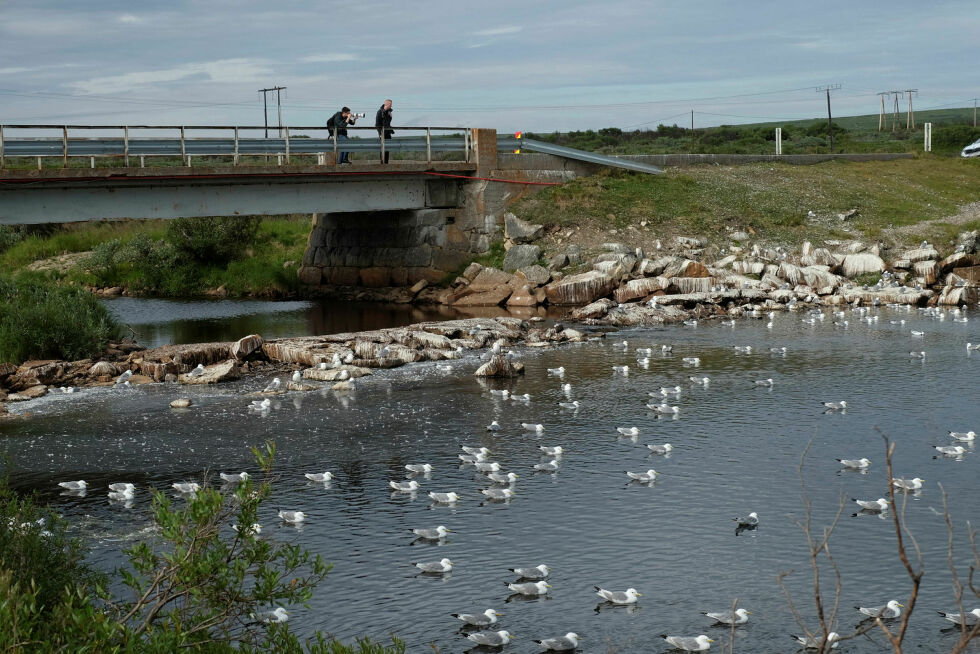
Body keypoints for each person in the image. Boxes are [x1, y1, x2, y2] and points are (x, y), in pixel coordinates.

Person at [375, 99, 393, 164]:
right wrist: (380, 133)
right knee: (382, 148)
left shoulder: (389, 112)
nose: (391, 106)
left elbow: (387, 123)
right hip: (382, 133)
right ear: (387, 104)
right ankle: (382, 162)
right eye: (390, 105)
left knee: (387, 148)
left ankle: (386, 163)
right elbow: (377, 124)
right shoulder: (380, 112)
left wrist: (390, 117)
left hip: (388, 132)